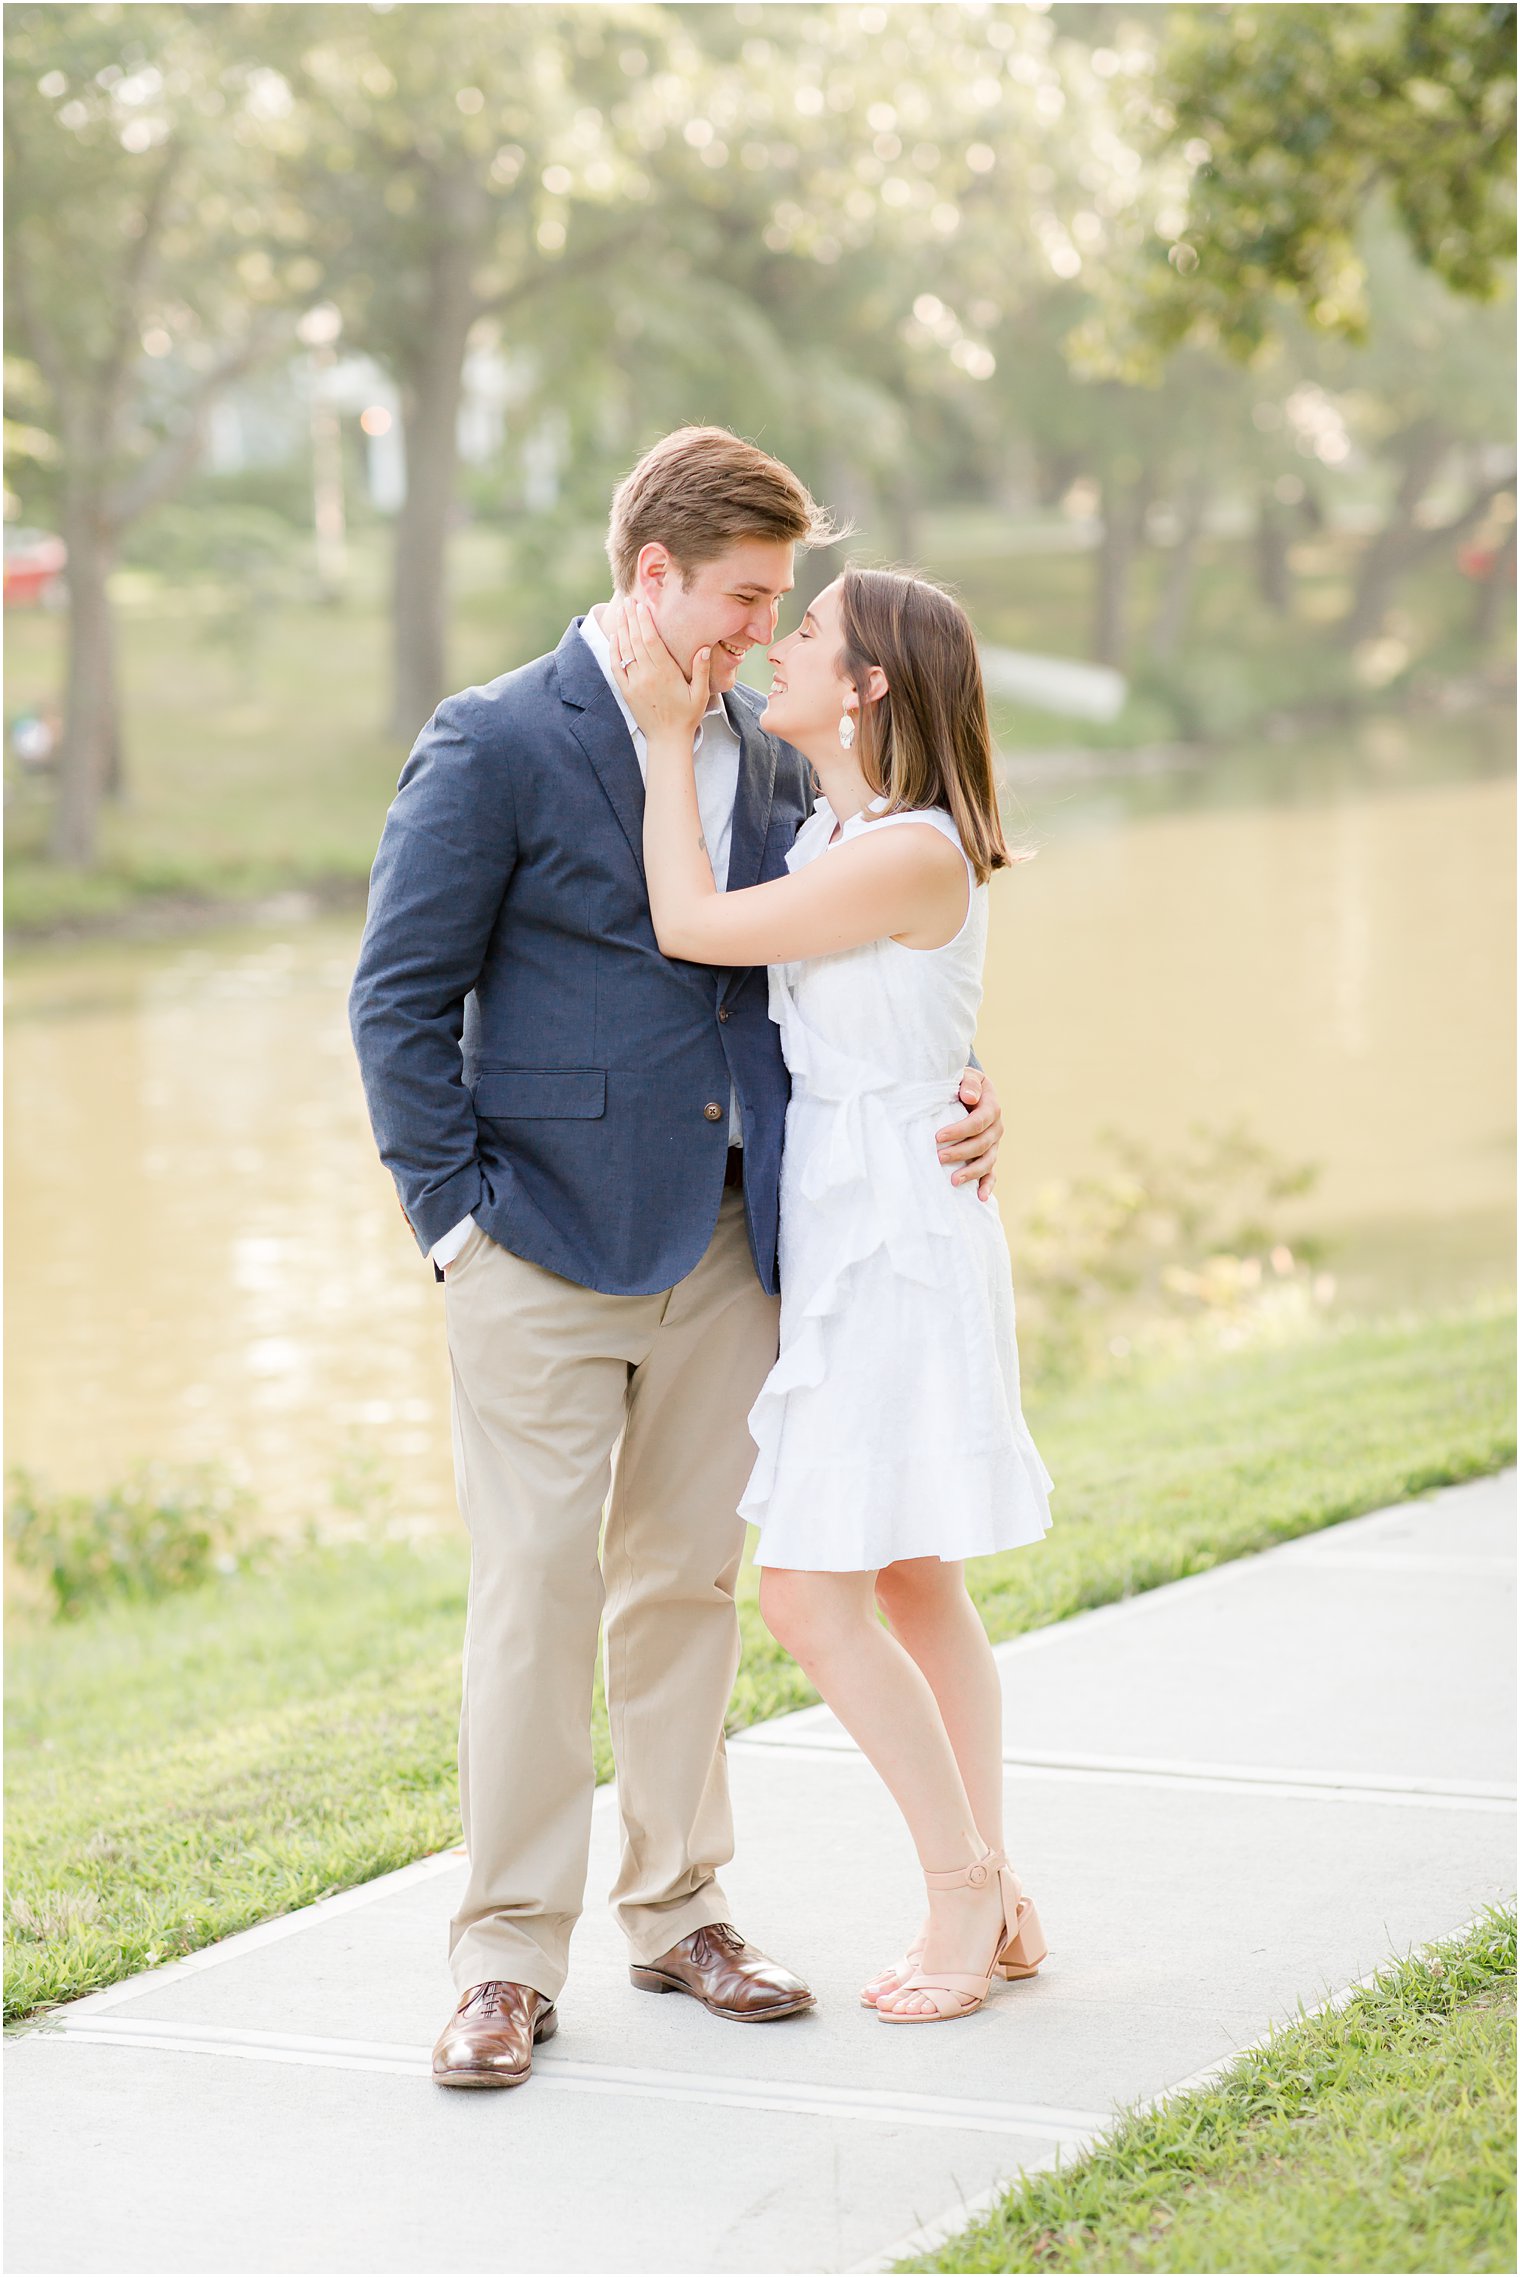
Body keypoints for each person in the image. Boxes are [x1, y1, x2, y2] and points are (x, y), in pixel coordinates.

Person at [347, 427, 1007, 2089]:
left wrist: (973, 1089)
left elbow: (851, 964)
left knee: (686, 1591)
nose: (757, 630)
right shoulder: (496, 738)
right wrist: (456, 1225)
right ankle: (505, 1958)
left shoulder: (776, 756)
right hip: (538, 1250)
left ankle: (683, 1909)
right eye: (741, 597)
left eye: (781, 606)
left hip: (737, 1241)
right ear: (654, 574)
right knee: (534, 1598)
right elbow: (397, 1001)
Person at [609, 561, 1054, 2025]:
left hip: (897, 1248)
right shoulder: (841, 832)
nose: (780, 644)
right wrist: (978, 1085)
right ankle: (993, 1884)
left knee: (810, 1589)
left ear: (867, 688)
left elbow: (687, 922)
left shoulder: (909, 848)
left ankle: (957, 1886)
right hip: (869, 1222)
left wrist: (671, 739)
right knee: (915, 1575)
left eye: (808, 634)